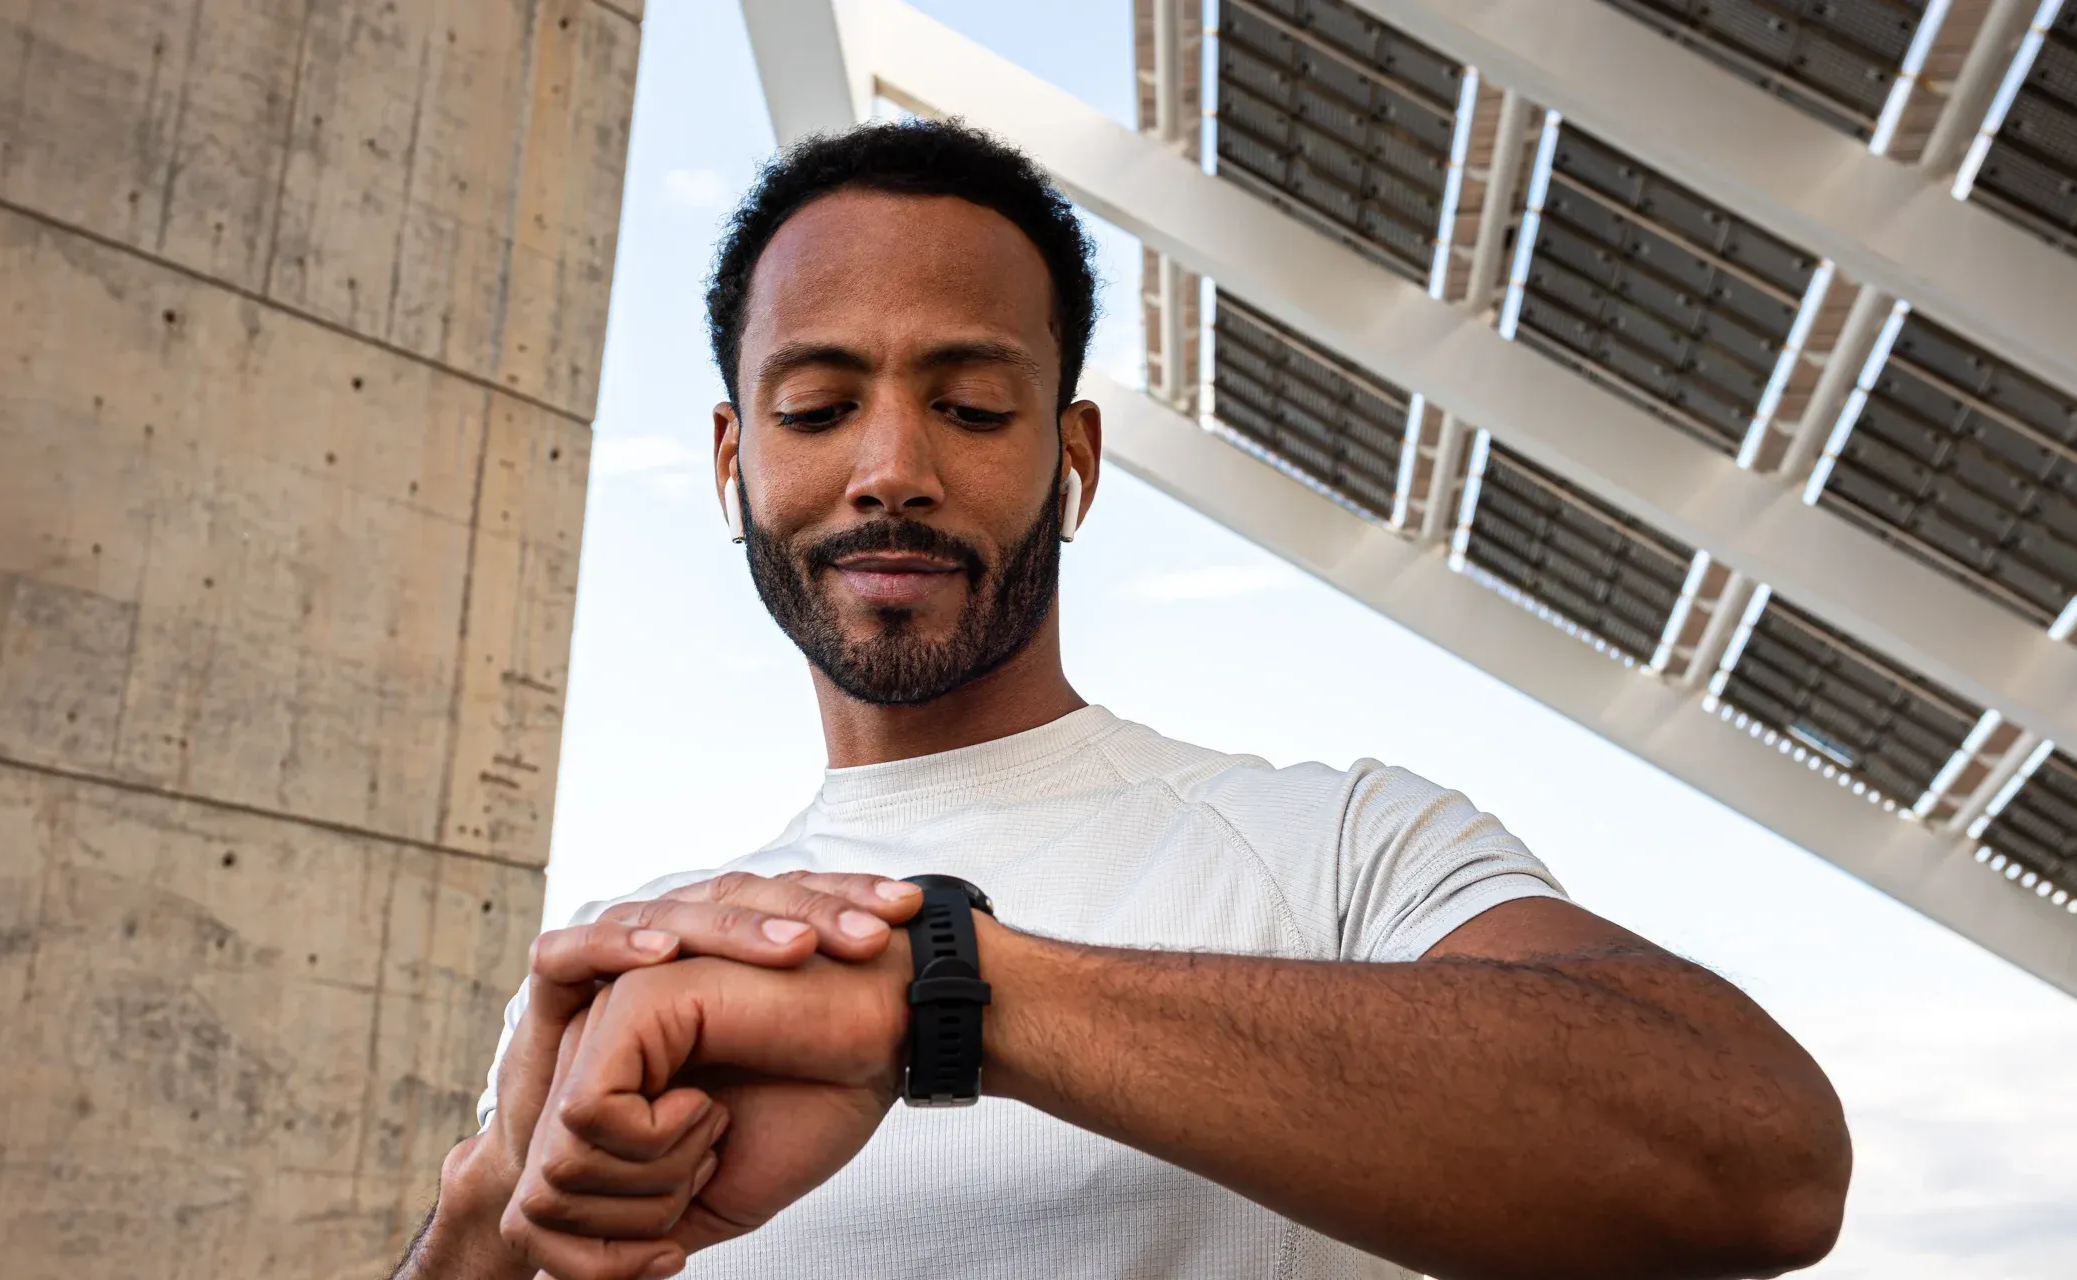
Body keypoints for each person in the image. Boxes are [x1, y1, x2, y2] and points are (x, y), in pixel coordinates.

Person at [393, 119, 1850, 1280]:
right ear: (731, 461)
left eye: (969, 406)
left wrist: (949, 996)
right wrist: (485, 1212)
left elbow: (1756, 1159)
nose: (891, 465)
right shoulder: (638, 969)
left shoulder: (1339, 850)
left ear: (1073, 458)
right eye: (819, 407)